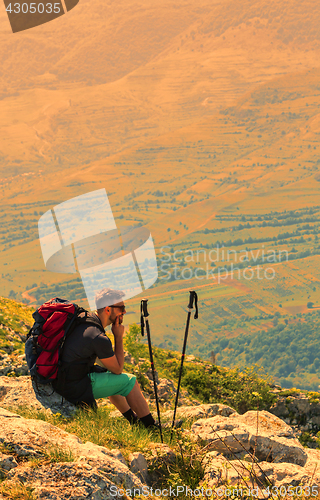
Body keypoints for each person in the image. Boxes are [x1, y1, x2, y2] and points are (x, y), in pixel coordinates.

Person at [52, 287, 157, 429]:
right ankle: (150, 427)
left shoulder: (85, 321)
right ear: (108, 309)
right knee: (129, 381)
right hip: (74, 386)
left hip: (63, 380)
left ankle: (135, 422)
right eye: (121, 307)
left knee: (110, 377)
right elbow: (118, 369)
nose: (124, 311)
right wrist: (118, 337)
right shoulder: (97, 336)